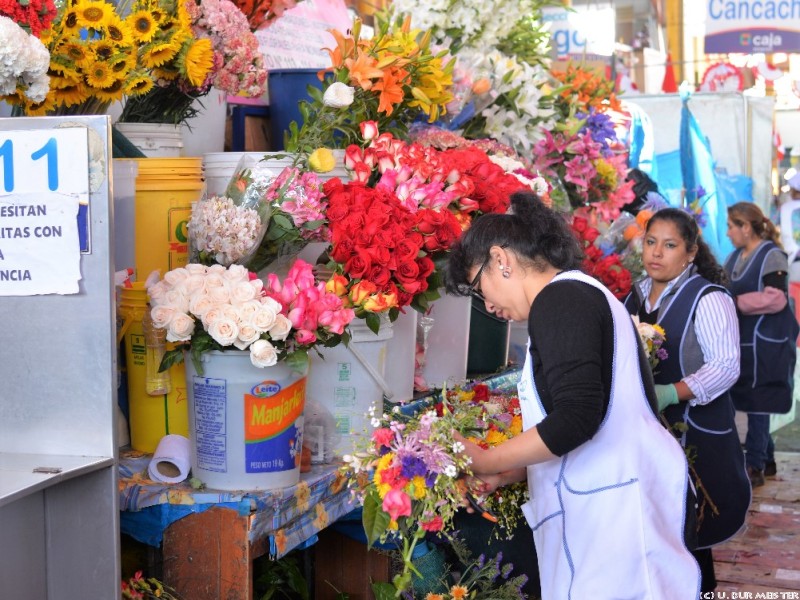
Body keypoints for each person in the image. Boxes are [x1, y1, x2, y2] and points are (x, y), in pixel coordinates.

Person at [447, 191, 700, 599]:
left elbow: (578, 416)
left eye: (480, 287)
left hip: (616, 517)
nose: (488, 306)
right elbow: (592, 411)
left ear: (501, 260)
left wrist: (488, 458)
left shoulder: (561, 300)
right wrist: (511, 472)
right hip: (612, 506)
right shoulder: (575, 294)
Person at [623, 207, 751, 593]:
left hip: (696, 434)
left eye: (670, 245)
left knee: (692, 532)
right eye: (650, 243)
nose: (656, 253)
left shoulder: (709, 298)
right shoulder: (634, 295)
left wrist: (670, 392)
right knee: (653, 529)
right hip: (646, 435)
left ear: (691, 252)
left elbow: (727, 365)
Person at [724, 202, 799, 487]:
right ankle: (766, 460)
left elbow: (776, 297)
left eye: (732, 226)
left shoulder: (772, 255)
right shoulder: (733, 258)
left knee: (759, 402)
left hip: (766, 343)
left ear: (746, 227)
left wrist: (736, 303)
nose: (728, 232)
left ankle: (754, 464)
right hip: (743, 342)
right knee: (749, 399)